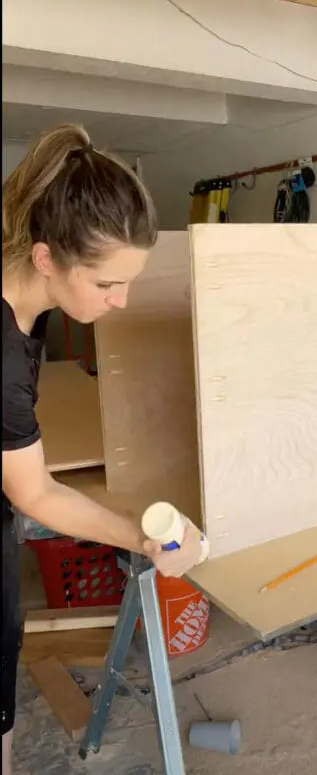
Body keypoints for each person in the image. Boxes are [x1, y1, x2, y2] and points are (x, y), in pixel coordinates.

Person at [2, 124, 203, 773]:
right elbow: (32, 491)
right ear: (44, 259)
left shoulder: (32, 297)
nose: (121, 301)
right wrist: (139, 537)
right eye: (107, 284)